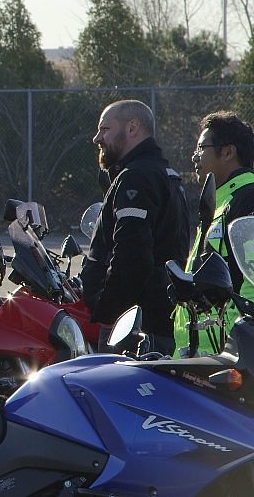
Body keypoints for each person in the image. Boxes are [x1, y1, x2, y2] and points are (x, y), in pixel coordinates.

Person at [80, 99, 189, 356]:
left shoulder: (137, 177)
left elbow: (132, 257)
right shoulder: (165, 174)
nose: (97, 138)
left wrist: (107, 311)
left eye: (105, 129)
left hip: (134, 330)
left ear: (132, 128)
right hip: (155, 323)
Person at [172, 111, 254, 357]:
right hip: (204, 346)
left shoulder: (247, 199)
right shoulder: (220, 200)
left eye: (200, 148)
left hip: (231, 352)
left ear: (228, 152)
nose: (194, 156)